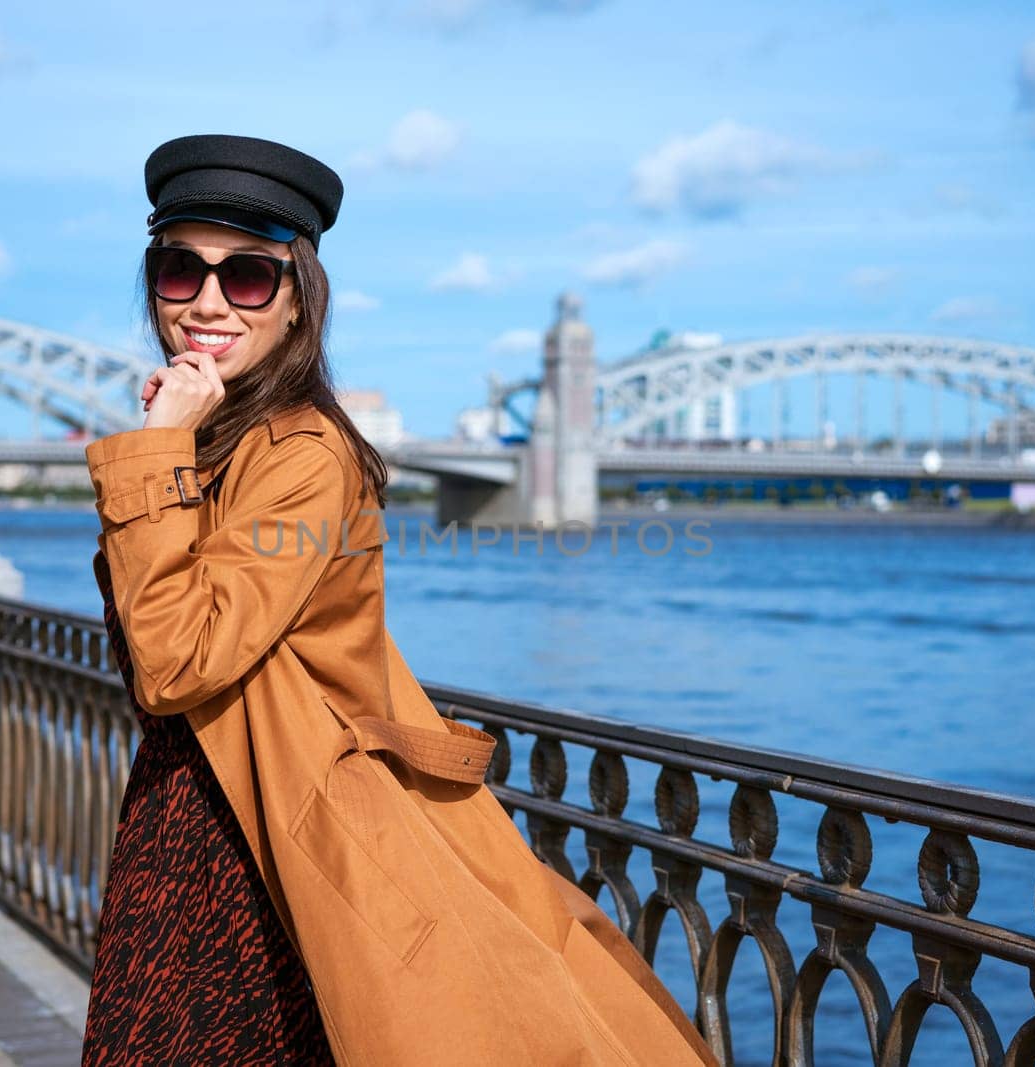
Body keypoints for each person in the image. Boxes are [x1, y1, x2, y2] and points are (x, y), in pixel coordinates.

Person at [83, 133, 718, 1066]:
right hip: (193, 816)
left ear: (299, 299)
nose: (209, 301)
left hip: (264, 847)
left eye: (248, 276)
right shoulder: (214, 440)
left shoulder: (305, 457)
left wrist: (153, 457)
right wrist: (171, 450)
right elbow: (151, 649)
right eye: (182, 268)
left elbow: (178, 663)